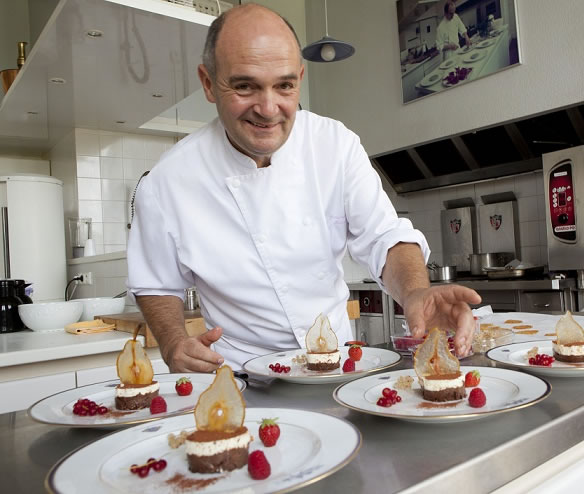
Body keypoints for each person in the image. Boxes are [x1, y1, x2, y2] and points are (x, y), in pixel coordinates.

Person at [126, 3, 481, 373]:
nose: (268, 108)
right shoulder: (167, 181)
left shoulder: (334, 144)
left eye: (284, 86)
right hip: (240, 374)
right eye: (245, 86)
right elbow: (156, 282)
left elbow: (385, 238)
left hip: (337, 365)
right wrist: (172, 342)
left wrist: (415, 291)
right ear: (208, 83)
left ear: (300, 77)